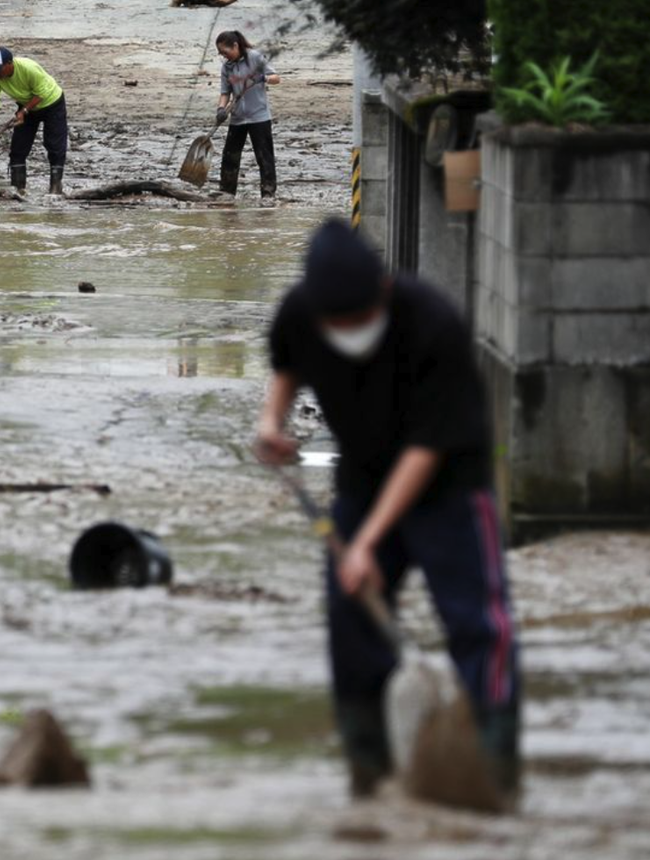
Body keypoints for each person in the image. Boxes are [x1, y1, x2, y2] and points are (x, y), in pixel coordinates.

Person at [254, 219, 521, 798]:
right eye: (336, 323)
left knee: (478, 621)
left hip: (448, 482)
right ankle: (368, 769)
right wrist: (271, 423)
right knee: (349, 616)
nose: (348, 331)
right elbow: (286, 368)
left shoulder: (431, 323)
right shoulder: (302, 312)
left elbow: (425, 452)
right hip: (363, 477)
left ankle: (494, 769)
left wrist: (368, 544)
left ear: (381, 292)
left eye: (357, 319)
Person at [0, 47, 69, 196]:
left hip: (51, 102)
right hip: (26, 105)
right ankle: (18, 188)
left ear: (9, 64)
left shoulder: (28, 68)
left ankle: (55, 187)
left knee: (54, 146)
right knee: (18, 148)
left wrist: (24, 111)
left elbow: (42, 93)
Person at [214, 31, 281, 201]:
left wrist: (262, 78)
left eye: (225, 51)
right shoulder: (226, 67)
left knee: (264, 156)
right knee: (230, 156)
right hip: (237, 117)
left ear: (235, 46)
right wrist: (221, 109)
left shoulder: (255, 58)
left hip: (259, 117)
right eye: (221, 53)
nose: (223, 55)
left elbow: (276, 78)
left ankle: (268, 193)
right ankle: (227, 192)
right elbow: (225, 93)